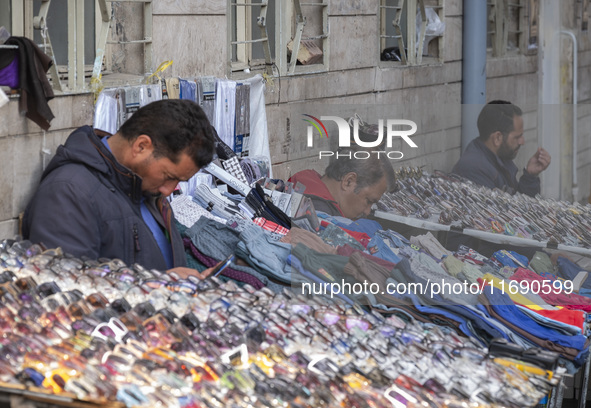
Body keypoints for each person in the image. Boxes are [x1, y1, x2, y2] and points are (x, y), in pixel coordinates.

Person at [23, 99, 216, 278]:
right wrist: (162, 285)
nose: (169, 190)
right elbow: (65, 284)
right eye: (169, 177)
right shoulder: (68, 192)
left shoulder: (143, 185)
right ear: (141, 146)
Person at [452, 100, 551, 197]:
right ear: (497, 138)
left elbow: (521, 202)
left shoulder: (498, 156)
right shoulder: (474, 169)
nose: (522, 142)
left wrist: (530, 176)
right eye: (517, 137)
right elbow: (505, 211)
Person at [289, 147, 389, 220]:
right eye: (368, 201)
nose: (367, 211)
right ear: (348, 181)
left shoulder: (305, 186)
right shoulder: (318, 216)